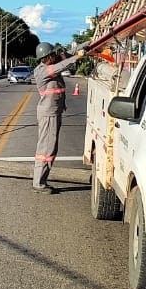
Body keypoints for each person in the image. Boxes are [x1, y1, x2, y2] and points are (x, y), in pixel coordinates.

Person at [31, 41, 84, 193]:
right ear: (46, 57)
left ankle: (40, 181)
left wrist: (87, 45)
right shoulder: (42, 71)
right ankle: (39, 183)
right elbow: (62, 65)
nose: (55, 56)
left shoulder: (51, 62)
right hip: (49, 114)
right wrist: (76, 58)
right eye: (52, 54)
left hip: (54, 112)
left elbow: (69, 53)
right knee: (47, 149)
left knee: (49, 147)